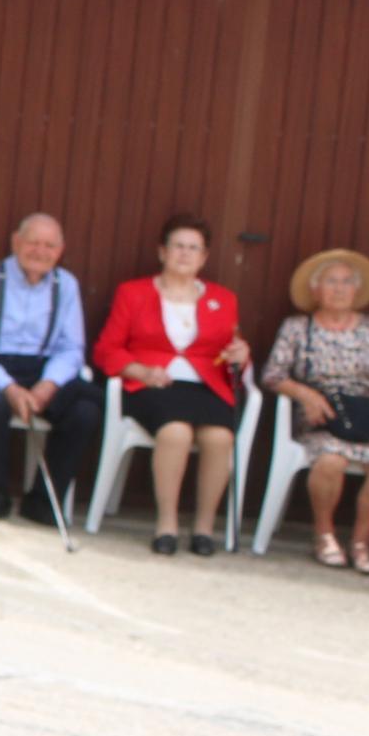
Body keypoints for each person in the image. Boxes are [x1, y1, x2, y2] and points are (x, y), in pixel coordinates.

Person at [261, 247, 369, 575]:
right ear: (315, 289)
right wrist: (304, 393)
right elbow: (272, 375)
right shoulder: (297, 327)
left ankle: (361, 543)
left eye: (347, 282)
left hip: (367, 419)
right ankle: (324, 535)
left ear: (357, 290)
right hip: (322, 418)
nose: (339, 289)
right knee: (330, 461)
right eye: (331, 281)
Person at [94, 212, 247, 557]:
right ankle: (167, 524)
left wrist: (242, 353)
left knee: (220, 437)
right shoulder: (132, 293)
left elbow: (233, 353)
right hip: (152, 386)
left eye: (194, 248)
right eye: (178, 246)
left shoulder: (223, 299)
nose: (184, 253)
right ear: (162, 252)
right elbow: (107, 349)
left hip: (205, 387)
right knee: (175, 432)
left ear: (204, 257)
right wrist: (139, 371)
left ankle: (204, 528)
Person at [0, 213, 100, 523]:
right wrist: (9, 387)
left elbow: (71, 348)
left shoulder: (66, 286)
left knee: (86, 409)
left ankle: (43, 499)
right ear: (16, 242)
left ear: (60, 250)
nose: (41, 252)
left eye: (50, 245)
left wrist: (49, 384)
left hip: (42, 370)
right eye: (33, 242)